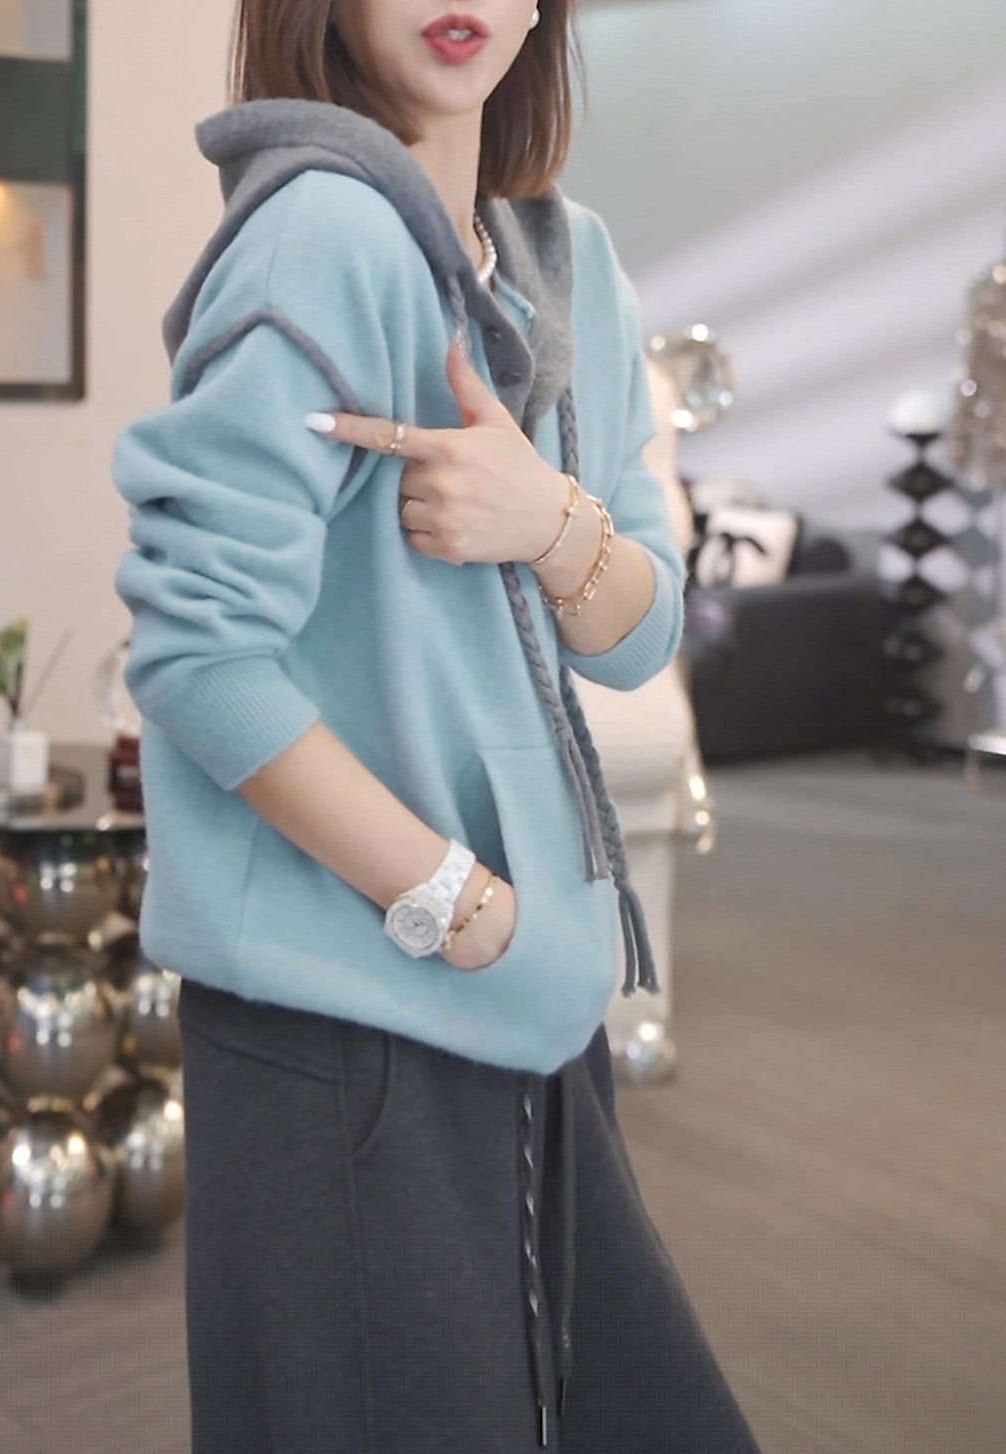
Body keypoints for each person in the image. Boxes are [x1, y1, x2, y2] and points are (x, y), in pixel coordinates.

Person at [111, 1, 763, 1449]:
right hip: (357, 1021)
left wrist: (548, 518)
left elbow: (640, 628)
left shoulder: (569, 263)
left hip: (532, 1012)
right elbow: (199, 653)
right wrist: (457, 908)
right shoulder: (325, 234)